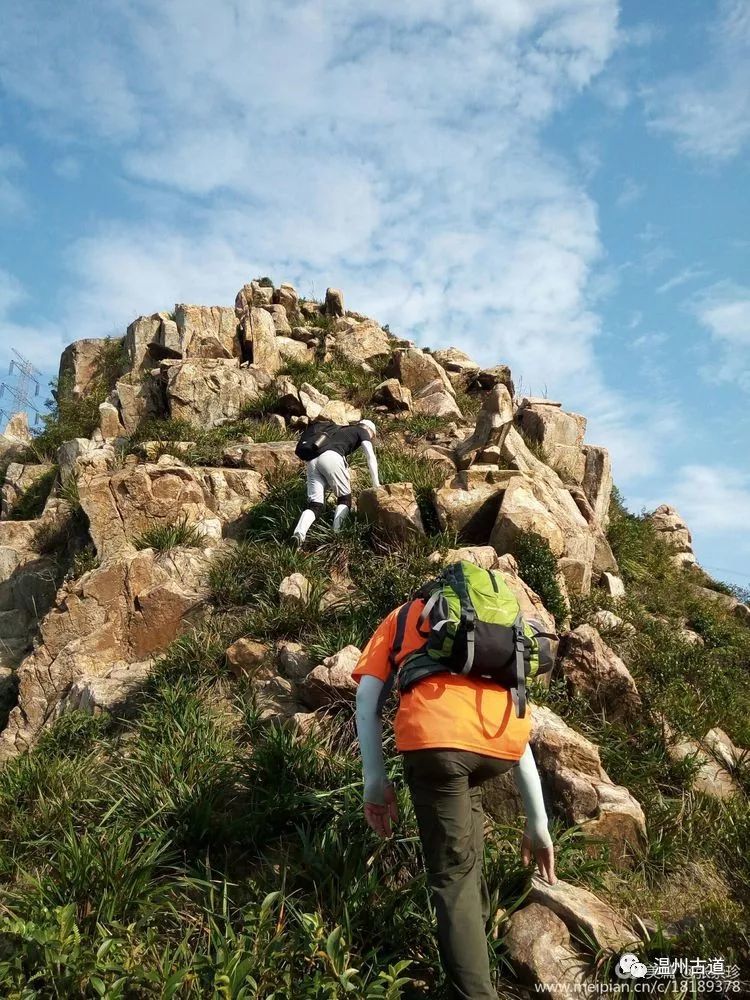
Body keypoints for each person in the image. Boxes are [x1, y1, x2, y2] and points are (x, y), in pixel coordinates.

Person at [352, 596, 556, 1000]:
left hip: (436, 741)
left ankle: (474, 991)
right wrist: (538, 822)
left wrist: (374, 782)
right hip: (501, 747)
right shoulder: (494, 630)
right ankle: (475, 948)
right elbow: (516, 716)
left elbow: (367, 700)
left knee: (453, 877)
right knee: (467, 852)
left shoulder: (403, 616)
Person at [292, 418, 380, 545]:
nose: (371, 438)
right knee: (344, 499)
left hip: (312, 461)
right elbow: (370, 456)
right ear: (371, 431)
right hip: (332, 457)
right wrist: (376, 484)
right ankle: (336, 536)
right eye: (372, 436)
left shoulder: (340, 429)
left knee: (315, 505)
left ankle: (298, 534)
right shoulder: (363, 430)